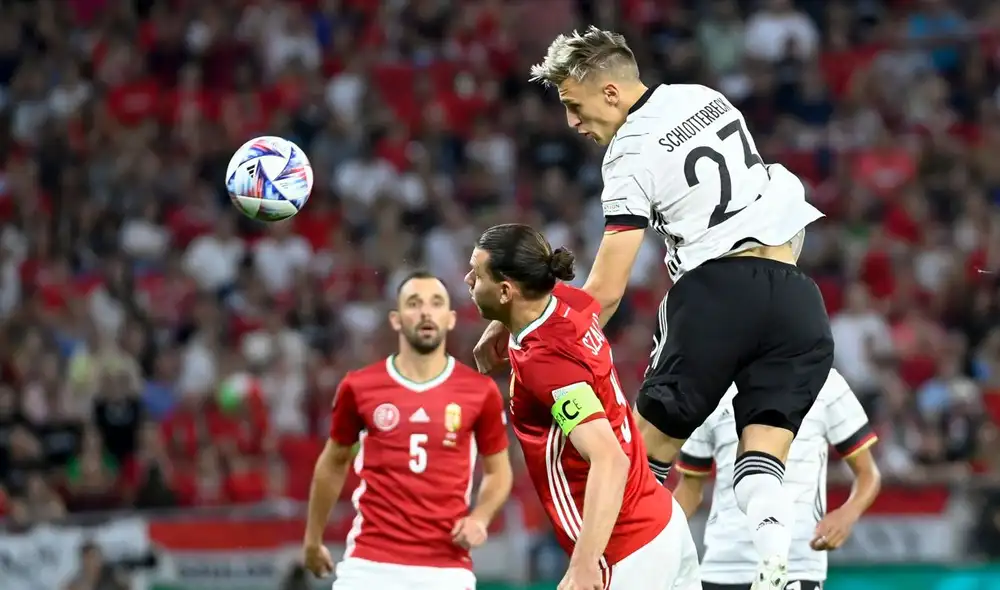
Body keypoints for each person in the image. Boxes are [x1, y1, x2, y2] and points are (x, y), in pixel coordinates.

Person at [473, 27, 831, 589]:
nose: (572, 122)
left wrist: (530, 319)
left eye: (574, 105)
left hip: (717, 293)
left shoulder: (628, 154)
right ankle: (775, 564)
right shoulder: (703, 97)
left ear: (611, 92)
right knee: (763, 455)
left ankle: (609, 568)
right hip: (795, 295)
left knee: (638, 456)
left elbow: (608, 288)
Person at [466, 223, 700, 590]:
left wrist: (585, 562)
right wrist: (502, 324)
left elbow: (609, 459)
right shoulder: (566, 302)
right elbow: (606, 288)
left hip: (623, 553)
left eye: (477, 274)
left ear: (507, 290)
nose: (468, 280)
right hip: (662, 522)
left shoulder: (546, 363)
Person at [302, 271, 514, 590]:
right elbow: (333, 462)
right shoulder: (359, 386)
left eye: (436, 303)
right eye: (414, 303)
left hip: (446, 570)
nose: (426, 312)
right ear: (396, 319)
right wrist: (312, 539)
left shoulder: (480, 391)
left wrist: (480, 518)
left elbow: (499, 472)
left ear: (450, 318)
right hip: (370, 566)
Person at [673, 369, 882, 590]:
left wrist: (847, 515)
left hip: (796, 566)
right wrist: (656, 536)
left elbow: (868, 474)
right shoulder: (711, 386)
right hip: (722, 567)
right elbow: (689, 491)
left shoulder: (825, 381)